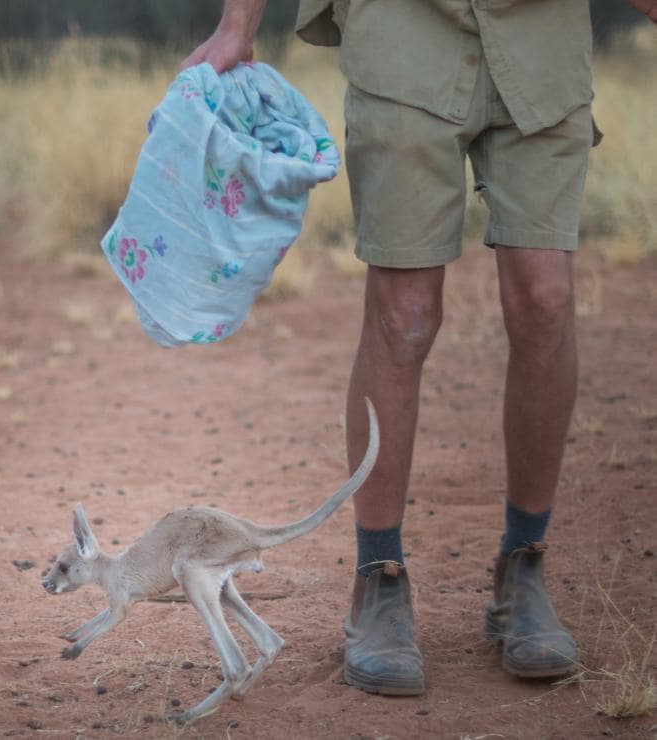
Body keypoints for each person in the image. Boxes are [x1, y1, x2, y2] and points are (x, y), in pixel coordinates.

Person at [180, 0, 656, 696]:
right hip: (405, 27)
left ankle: (523, 565)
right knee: (403, 314)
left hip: (541, 35)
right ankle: (379, 580)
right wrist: (238, 24)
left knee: (545, 299)